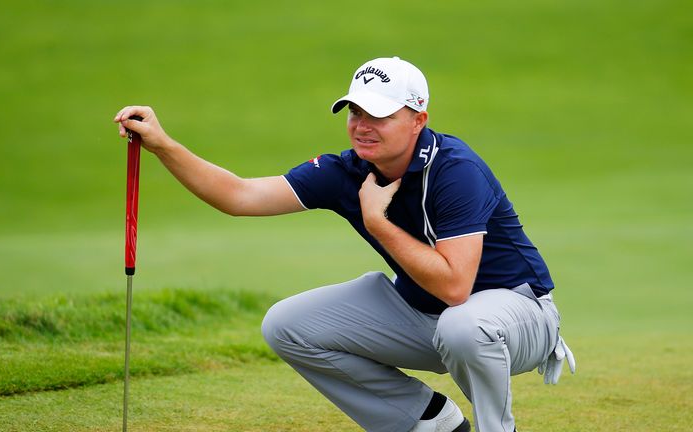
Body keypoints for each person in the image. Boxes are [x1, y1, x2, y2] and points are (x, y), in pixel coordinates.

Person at [113, 56, 575, 432]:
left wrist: (377, 220)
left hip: (517, 317)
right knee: (286, 324)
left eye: (380, 114)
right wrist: (163, 145)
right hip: (428, 316)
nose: (362, 125)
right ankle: (427, 422)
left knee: (462, 324)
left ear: (418, 120)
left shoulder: (457, 170)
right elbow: (239, 196)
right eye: (356, 112)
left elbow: (456, 288)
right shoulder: (345, 171)